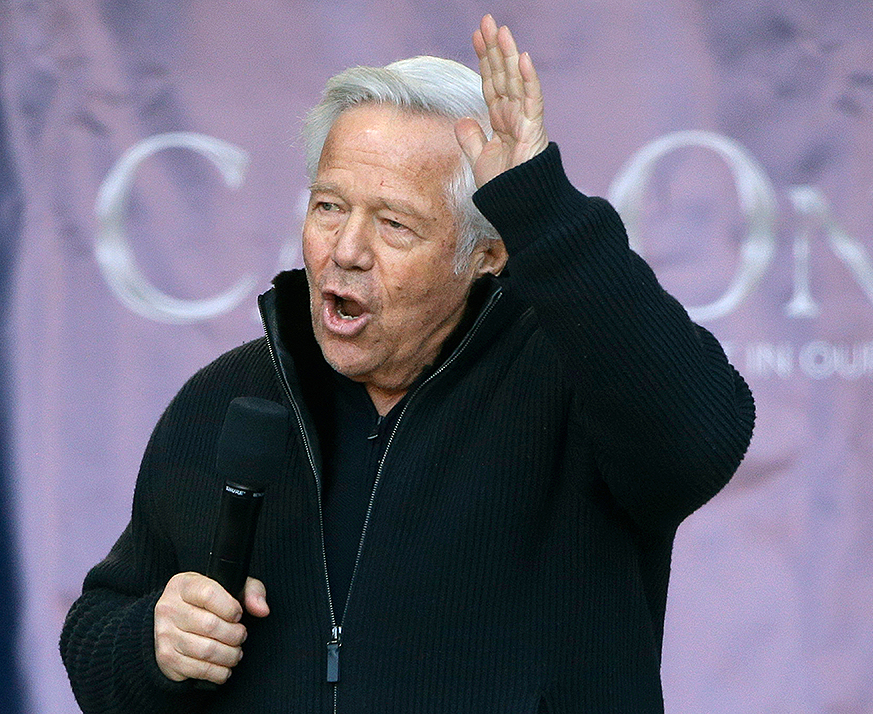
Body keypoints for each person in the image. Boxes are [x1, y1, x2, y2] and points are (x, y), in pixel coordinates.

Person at [60, 15, 754, 713]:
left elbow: (700, 439)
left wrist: (544, 211)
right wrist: (153, 642)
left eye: (395, 224)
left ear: (486, 254)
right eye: (329, 207)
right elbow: (98, 635)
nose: (347, 249)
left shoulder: (579, 384)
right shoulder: (229, 399)